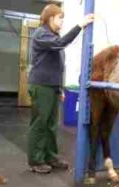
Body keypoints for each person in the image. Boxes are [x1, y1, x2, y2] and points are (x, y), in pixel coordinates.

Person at [27, 4, 94, 173]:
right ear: (50, 18)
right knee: (40, 123)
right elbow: (62, 42)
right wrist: (80, 25)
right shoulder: (42, 34)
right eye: (60, 18)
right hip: (41, 85)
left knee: (51, 125)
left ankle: (50, 157)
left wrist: (59, 88)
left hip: (51, 86)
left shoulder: (51, 35)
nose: (62, 21)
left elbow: (57, 65)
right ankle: (35, 160)